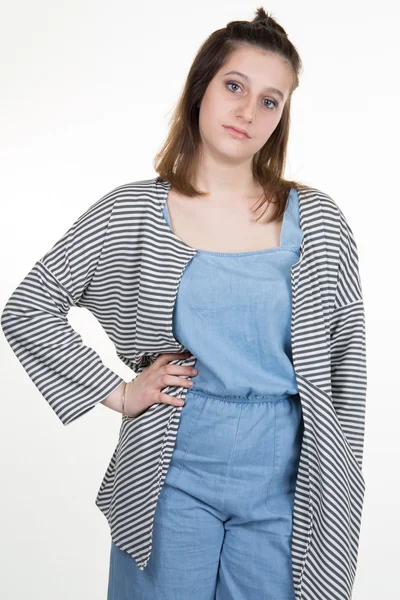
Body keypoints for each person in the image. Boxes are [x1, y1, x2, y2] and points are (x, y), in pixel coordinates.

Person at [1, 7, 367, 600]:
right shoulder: (133, 211)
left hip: (288, 476)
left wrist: (343, 476)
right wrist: (119, 392)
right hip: (174, 466)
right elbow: (30, 305)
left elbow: (348, 362)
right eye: (234, 86)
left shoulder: (319, 221)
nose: (249, 111)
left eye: (271, 101)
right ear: (202, 87)